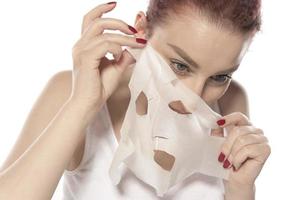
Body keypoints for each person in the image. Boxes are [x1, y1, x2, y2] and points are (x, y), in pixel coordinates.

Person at [0, 0, 271, 199]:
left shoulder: (232, 102)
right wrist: (82, 105)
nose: (191, 102)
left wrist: (241, 189)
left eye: (220, 76)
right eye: (180, 65)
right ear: (141, 29)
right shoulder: (69, 92)